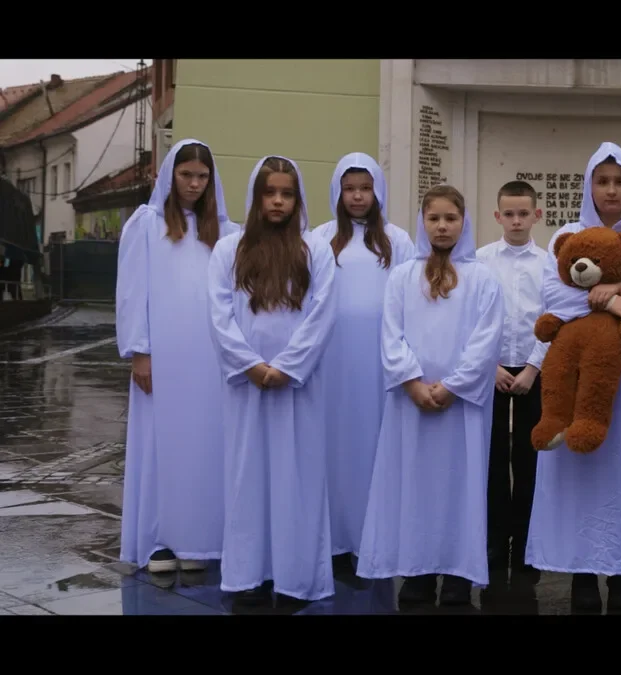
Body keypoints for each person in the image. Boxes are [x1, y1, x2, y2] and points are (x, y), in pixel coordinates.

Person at [524, 142, 621, 612]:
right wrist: (612, 302)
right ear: (589, 186)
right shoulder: (568, 235)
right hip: (574, 374)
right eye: (602, 181)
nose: (611, 190)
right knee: (578, 467)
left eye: (620, 181)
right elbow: (554, 295)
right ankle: (582, 573)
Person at [356, 184, 504, 608]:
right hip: (412, 403)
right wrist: (412, 382)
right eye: (434, 218)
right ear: (422, 221)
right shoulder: (404, 276)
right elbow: (391, 334)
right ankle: (417, 571)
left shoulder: (482, 279)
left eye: (450, 218)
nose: (442, 226)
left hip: (461, 407)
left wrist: (453, 385)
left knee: (460, 486)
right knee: (414, 487)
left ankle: (457, 573)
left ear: (464, 222)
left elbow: (486, 341)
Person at [207, 155, 338, 607]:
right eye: (270, 193)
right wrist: (251, 366)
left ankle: (296, 579)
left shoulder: (315, 250)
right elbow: (219, 315)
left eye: (287, 193)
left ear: (298, 199)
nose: (278, 201)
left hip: (298, 386)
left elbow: (322, 313)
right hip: (246, 387)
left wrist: (287, 367)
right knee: (248, 479)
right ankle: (249, 577)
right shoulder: (229, 250)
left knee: (297, 479)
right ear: (256, 197)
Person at [117, 139, 239, 575]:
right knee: (160, 445)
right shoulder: (146, 225)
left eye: (202, 176)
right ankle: (160, 541)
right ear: (170, 175)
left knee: (207, 443)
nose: (193, 184)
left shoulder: (226, 233)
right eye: (186, 175)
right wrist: (140, 351)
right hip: (164, 358)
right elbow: (133, 293)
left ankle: (203, 537)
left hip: (211, 360)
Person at [309, 152, 415, 572]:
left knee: (375, 445)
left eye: (365, 188)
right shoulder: (318, 238)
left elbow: (409, 299)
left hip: (379, 361)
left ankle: (374, 538)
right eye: (349, 189)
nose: (357, 197)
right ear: (337, 191)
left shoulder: (397, 240)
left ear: (378, 191)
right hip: (332, 361)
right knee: (333, 446)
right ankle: (333, 538)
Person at [474, 180, 548, 587]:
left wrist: (533, 368)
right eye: (509, 214)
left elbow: (554, 318)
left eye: (523, 213)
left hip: (535, 372)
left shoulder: (550, 264)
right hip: (493, 372)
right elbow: (473, 318)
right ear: (497, 216)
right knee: (493, 460)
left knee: (529, 459)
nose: (516, 221)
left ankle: (525, 548)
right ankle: (493, 542)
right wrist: (491, 366)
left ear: (537, 215)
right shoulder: (481, 260)